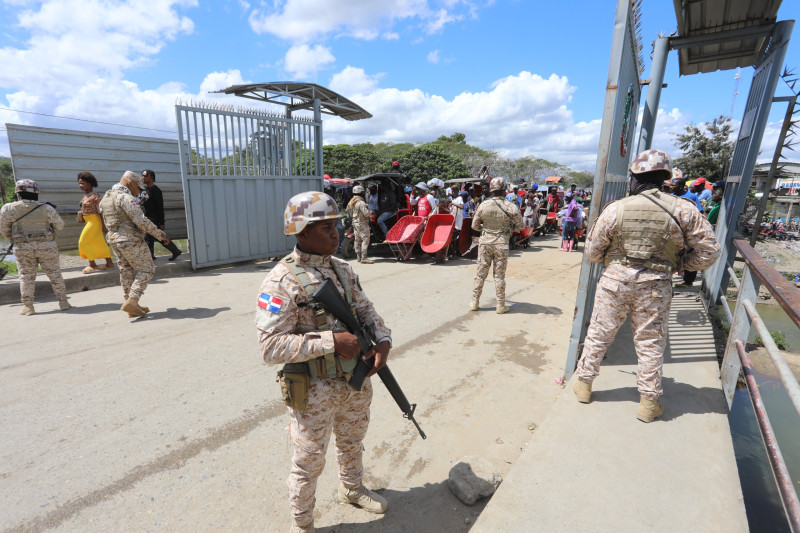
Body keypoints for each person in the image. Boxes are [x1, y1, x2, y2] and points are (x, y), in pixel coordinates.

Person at [256, 191, 392, 533]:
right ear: (301, 233)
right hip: (314, 391)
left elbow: (365, 309)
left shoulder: (343, 269)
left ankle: (351, 488)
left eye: (337, 226)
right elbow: (270, 347)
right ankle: (302, 525)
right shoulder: (279, 280)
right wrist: (332, 341)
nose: (337, 234)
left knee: (352, 440)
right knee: (308, 463)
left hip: (355, 380)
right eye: (327, 228)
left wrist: (384, 340)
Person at [572, 149, 720, 422]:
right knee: (650, 342)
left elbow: (592, 253)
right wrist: (682, 263)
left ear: (635, 178)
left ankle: (584, 385)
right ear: (664, 178)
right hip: (656, 284)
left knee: (599, 333)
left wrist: (615, 260)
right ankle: (649, 404)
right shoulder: (684, 209)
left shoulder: (615, 209)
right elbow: (709, 252)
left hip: (615, 282)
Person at [100, 170, 171, 317]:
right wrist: (160, 235)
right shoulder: (125, 198)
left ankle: (132, 307)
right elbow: (141, 221)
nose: (138, 192)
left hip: (113, 238)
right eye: (138, 188)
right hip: (129, 239)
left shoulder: (106, 198)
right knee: (147, 269)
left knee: (126, 271)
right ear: (131, 183)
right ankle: (132, 301)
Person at [0, 179, 71, 315]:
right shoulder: (47, 208)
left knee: (26, 277)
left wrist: (16, 239)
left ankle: (28, 307)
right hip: (47, 246)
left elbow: (4, 230)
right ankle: (63, 303)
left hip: (22, 248)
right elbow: (60, 226)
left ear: (18, 193)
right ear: (36, 193)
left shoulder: (8, 208)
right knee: (55, 274)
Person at [470, 177, 524, 314]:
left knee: (480, 274)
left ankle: (474, 302)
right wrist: (509, 229)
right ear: (504, 189)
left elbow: (474, 225)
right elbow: (521, 226)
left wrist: (486, 229)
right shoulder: (511, 206)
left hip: (485, 244)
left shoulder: (483, 205)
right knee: (499, 276)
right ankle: (500, 305)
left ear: (492, 189)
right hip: (502, 244)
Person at [141, 169, 183, 261]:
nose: (143, 177)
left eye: (145, 176)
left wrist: (161, 222)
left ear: (151, 177)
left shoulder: (156, 190)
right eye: (142, 175)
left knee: (155, 237)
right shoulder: (144, 189)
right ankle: (174, 251)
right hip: (147, 218)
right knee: (152, 237)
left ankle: (173, 251)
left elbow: (160, 207)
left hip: (154, 218)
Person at [76, 171, 114, 273]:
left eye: (82, 183)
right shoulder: (86, 196)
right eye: (79, 183)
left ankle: (92, 265)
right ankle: (109, 263)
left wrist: (104, 225)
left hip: (94, 222)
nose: (80, 185)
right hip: (89, 221)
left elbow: (101, 211)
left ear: (90, 183)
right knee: (99, 242)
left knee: (83, 242)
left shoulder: (95, 196)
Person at [345, 185, 373, 264]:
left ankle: (358, 257)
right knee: (365, 239)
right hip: (362, 223)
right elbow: (366, 214)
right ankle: (364, 257)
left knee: (357, 239)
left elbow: (349, 213)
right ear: (361, 192)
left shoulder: (352, 201)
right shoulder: (361, 202)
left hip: (355, 222)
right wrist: (371, 212)